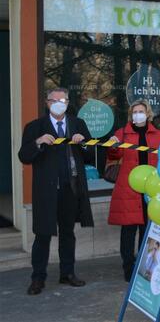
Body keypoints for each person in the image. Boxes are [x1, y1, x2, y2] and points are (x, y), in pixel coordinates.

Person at [18, 87, 95, 295]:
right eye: (56, 100)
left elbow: (91, 156)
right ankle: (38, 278)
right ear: (48, 103)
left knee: (68, 234)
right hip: (47, 191)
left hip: (71, 188)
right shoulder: (35, 127)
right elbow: (24, 156)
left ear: (68, 103)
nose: (60, 103)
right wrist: (38, 142)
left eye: (64, 100)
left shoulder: (77, 124)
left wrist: (84, 144)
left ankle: (67, 273)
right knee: (42, 234)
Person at [107, 100, 160, 282]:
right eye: (134, 112)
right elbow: (114, 155)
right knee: (128, 232)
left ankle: (143, 265)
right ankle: (128, 267)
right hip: (129, 189)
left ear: (148, 114)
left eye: (141, 111)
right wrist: (113, 145)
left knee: (147, 231)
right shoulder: (122, 133)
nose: (137, 114)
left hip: (150, 189)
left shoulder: (157, 135)